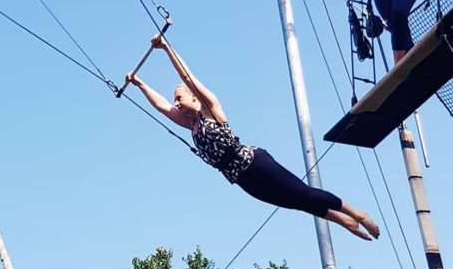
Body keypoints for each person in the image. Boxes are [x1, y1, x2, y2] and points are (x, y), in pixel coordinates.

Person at [126, 34, 380, 241]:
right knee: (297, 203)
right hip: (241, 179)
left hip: (255, 163)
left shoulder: (209, 110)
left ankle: (357, 214)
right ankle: (344, 222)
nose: (176, 103)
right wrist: (140, 84)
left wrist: (166, 48)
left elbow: (187, 77)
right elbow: (161, 106)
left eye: (179, 98)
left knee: (304, 193)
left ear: (193, 97)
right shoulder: (190, 125)